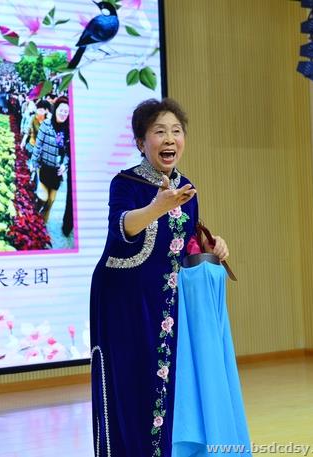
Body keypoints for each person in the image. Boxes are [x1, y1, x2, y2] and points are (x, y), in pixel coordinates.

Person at [89, 98, 229, 457]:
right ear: (141, 142)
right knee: (131, 384)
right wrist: (156, 207)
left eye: (176, 131)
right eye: (159, 132)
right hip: (124, 300)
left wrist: (212, 246)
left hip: (166, 301)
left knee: (166, 383)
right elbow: (122, 228)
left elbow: (186, 243)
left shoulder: (187, 188)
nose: (170, 139)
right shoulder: (125, 184)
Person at [30, 97, 70, 224]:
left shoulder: (68, 129)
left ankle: (42, 223)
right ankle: (34, 215)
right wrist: (34, 163)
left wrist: (65, 165)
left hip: (56, 172)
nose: (63, 113)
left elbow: (69, 152)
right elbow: (38, 145)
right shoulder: (46, 125)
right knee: (43, 198)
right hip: (44, 168)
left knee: (51, 200)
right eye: (61, 110)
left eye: (66, 112)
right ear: (56, 109)